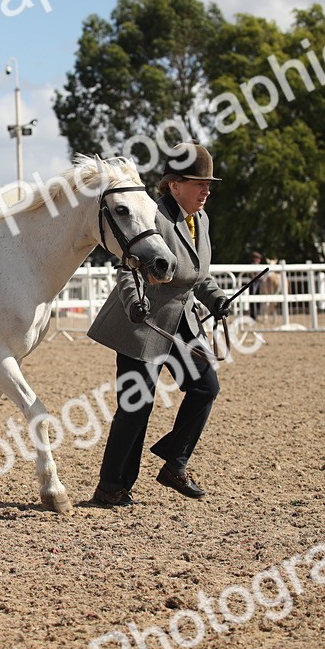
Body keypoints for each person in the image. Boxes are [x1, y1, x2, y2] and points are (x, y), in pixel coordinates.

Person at [88, 143, 232, 505]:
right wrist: (134, 302)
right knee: (137, 405)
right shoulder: (153, 218)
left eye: (208, 184)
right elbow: (127, 271)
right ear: (174, 185)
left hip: (182, 321)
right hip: (143, 321)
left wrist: (216, 299)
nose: (207, 191)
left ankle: (174, 463)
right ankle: (111, 486)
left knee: (205, 387)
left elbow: (197, 276)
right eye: (199, 183)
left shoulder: (201, 220)